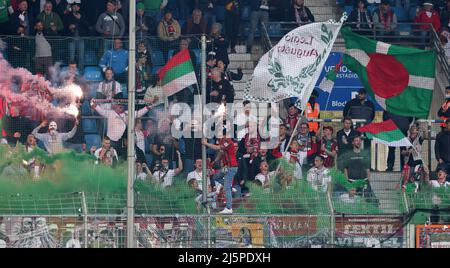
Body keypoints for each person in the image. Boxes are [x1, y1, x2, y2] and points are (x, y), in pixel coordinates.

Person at [202, 135, 238, 214]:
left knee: (226, 188)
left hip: (231, 167)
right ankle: (229, 187)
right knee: (215, 177)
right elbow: (221, 153)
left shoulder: (228, 141)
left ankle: (229, 208)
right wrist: (214, 162)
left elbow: (218, 148)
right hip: (226, 167)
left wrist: (206, 143)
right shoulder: (222, 140)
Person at [340, 135, 378, 204]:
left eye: (359, 141)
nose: (358, 142)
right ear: (353, 142)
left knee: (367, 199)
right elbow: (345, 168)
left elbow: (367, 168)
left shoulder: (365, 153)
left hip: (363, 181)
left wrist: (369, 179)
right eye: (356, 141)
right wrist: (346, 180)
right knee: (354, 200)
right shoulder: (348, 154)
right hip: (352, 181)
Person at [63, 1, 88, 71]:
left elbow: (87, 26)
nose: (75, 8)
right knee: (71, 57)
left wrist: (80, 19)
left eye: (77, 6)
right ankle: (71, 73)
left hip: (81, 39)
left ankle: (80, 73)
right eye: (74, 6)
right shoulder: (68, 15)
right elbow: (64, 27)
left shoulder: (83, 15)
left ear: (79, 8)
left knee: (81, 57)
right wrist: (69, 27)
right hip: (71, 39)